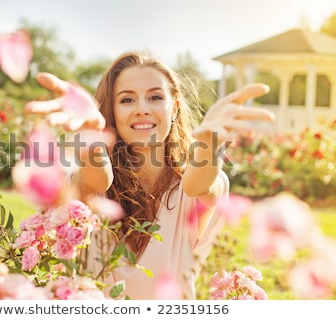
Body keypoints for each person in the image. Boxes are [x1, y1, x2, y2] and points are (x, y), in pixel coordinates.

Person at [25, 51, 275, 299]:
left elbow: (197, 185)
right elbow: (97, 180)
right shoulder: (88, 180)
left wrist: (209, 145)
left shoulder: (199, 184)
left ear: (174, 107)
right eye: (126, 100)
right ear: (110, 111)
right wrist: (92, 137)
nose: (142, 109)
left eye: (155, 97)